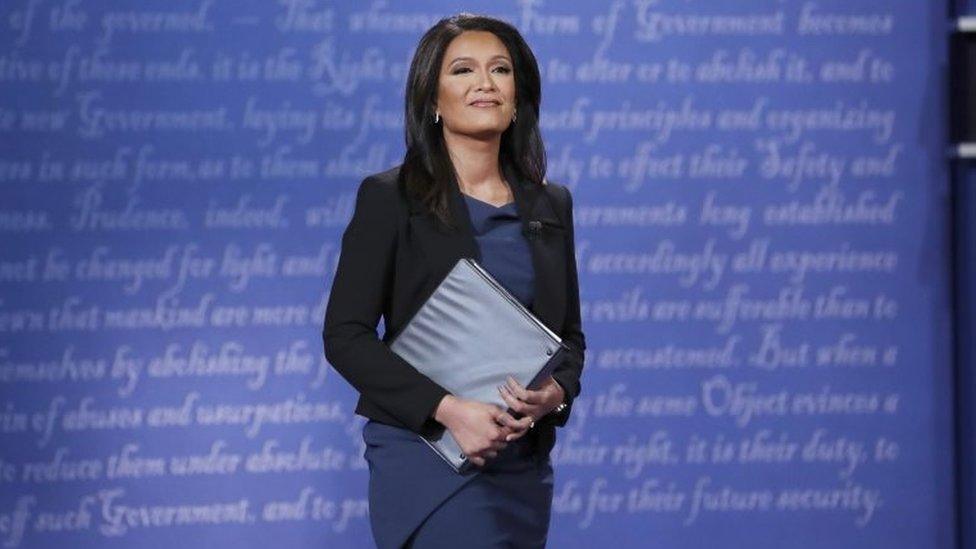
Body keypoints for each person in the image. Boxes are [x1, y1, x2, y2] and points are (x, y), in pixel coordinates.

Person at [322, 13, 586, 549]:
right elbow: (345, 336)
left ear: (519, 98)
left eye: (501, 70)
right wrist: (447, 411)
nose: (485, 83)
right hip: (427, 460)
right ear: (433, 101)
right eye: (463, 70)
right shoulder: (389, 198)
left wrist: (554, 394)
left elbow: (570, 341)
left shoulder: (551, 205)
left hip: (521, 469)